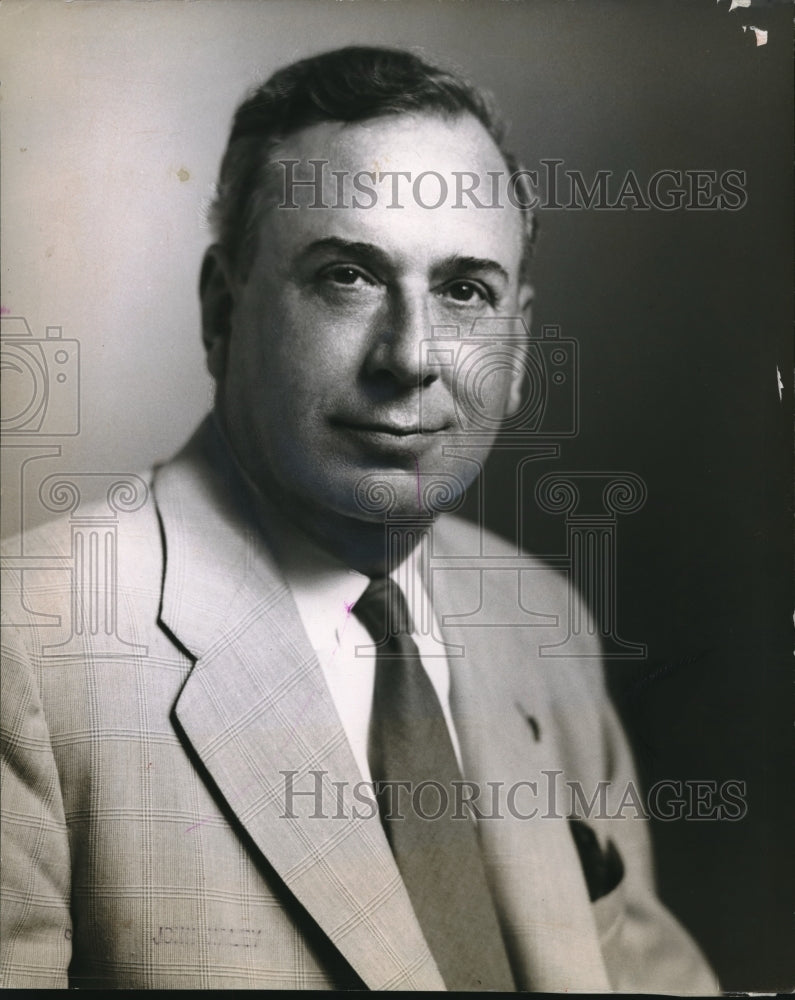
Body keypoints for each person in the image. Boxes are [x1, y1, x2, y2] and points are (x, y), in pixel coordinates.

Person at [0, 46, 717, 991]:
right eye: (347, 276)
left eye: (464, 291)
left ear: (518, 344)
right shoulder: (32, 649)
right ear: (222, 307)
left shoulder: (538, 621)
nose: (410, 357)